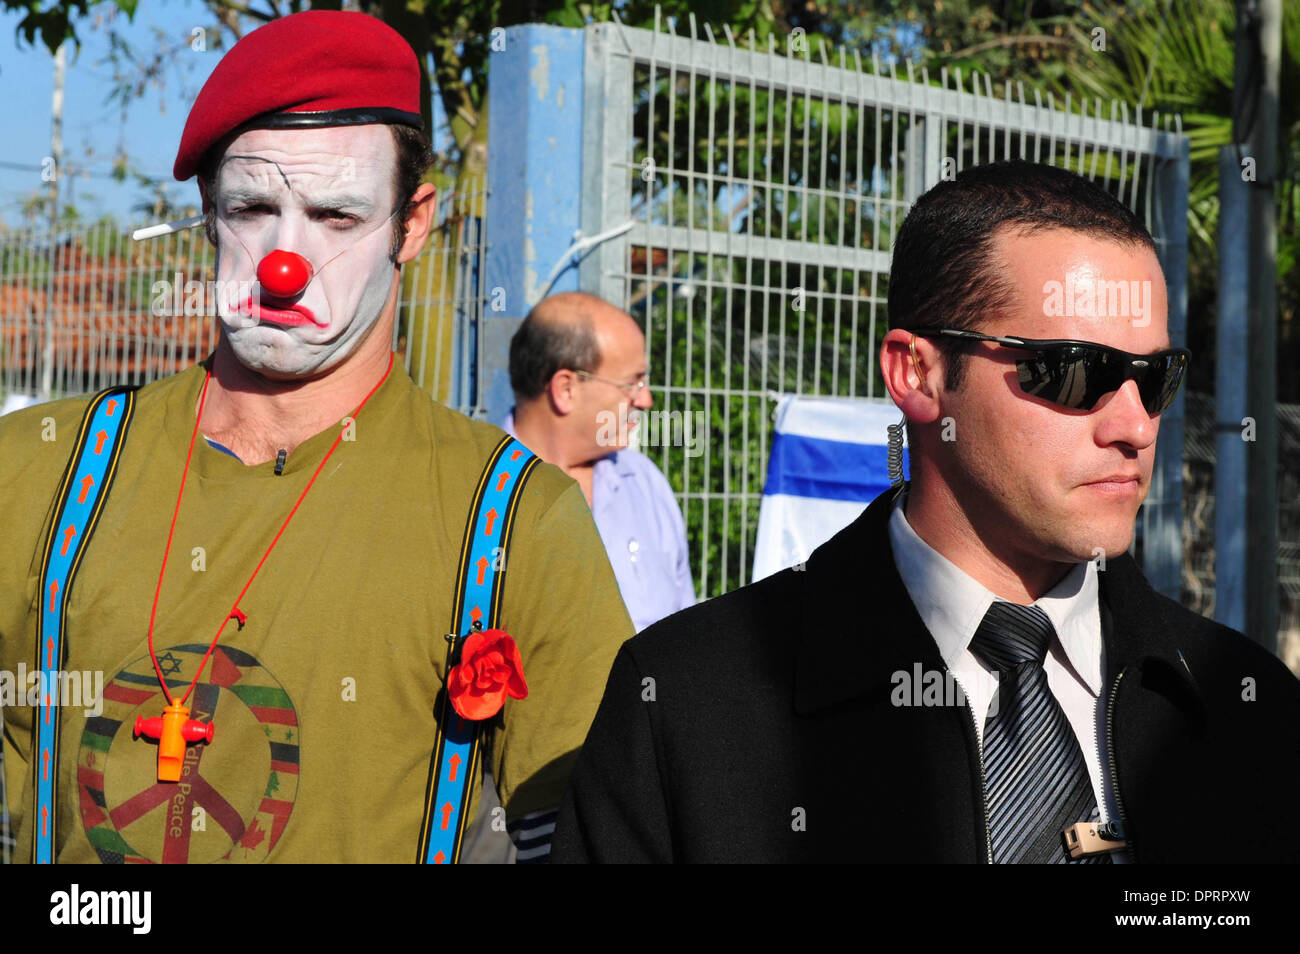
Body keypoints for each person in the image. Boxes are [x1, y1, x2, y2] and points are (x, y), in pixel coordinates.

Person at [0, 10, 634, 864]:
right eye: (253, 207)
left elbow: (587, 840)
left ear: (412, 224)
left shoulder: (523, 522)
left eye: (337, 216)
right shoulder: (32, 468)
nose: (282, 262)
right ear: (206, 210)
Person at [551, 160, 1300, 863]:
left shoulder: (1248, 709)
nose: (1135, 425)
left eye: (1154, 376)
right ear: (918, 372)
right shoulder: (687, 708)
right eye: (1078, 371)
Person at [505, 292, 695, 632]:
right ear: (566, 389)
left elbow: (685, 628)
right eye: (632, 383)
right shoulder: (479, 493)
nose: (646, 399)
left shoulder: (645, 483)